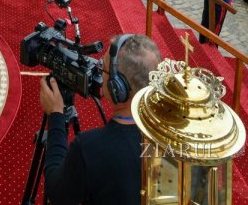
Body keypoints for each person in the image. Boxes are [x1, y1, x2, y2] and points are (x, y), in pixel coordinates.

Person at [39, 34, 161, 205]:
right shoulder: (174, 132)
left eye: (102, 68)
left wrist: (56, 116)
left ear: (117, 86)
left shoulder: (89, 147)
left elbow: (57, 193)